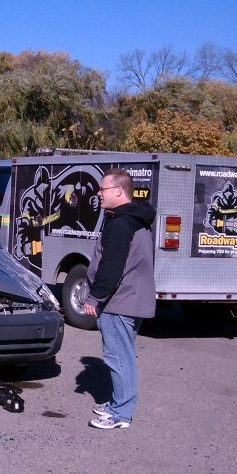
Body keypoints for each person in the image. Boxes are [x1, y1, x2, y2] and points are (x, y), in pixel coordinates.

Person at [82, 168, 156, 430]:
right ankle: (117, 402)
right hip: (132, 299)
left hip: (120, 301)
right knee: (122, 354)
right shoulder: (134, 219)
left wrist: (93, 298)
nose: (98, 194)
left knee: (118, 357)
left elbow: (111, 267)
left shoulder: (121, 223)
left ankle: (121, 413)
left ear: (118, 191)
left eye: (102, 189)